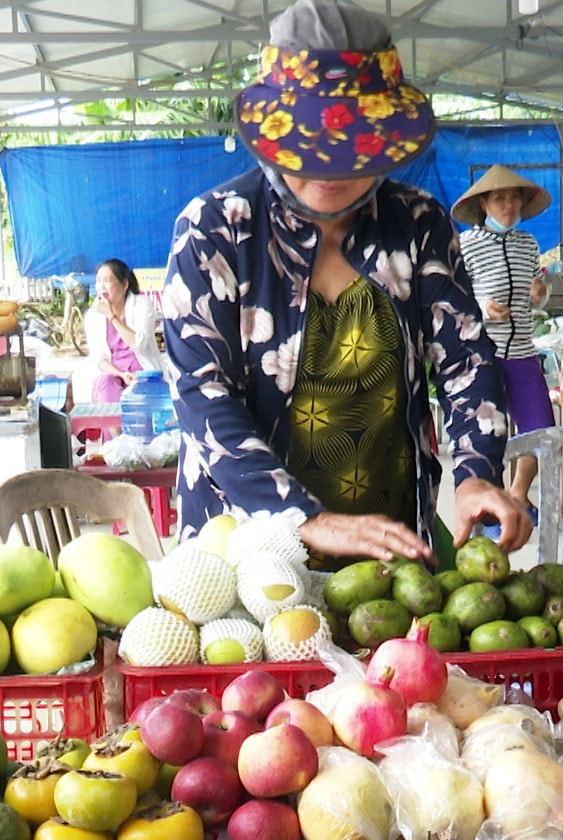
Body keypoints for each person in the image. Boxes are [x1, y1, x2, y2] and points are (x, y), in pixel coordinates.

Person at [159, 0, 531, 567]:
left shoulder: (419, 223)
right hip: (245, 557)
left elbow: (466, 362)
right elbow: (202, 392)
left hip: (390, 552)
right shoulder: (214, 230)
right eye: (307, 147)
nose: (327, 171)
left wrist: (476, 473)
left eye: (349, 148)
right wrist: (305, 520)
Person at [451, 166, 552, 514]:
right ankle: (490, 506)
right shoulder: (467, 245)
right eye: (499, 199)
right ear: (484, 204)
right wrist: (482, 308)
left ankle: (519, 494)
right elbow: (455, 299)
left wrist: (540, 291)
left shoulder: (528, 244)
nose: (509, 206)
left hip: (523, 351)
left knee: (541, 431)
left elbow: (535, 294)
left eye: (514, 198)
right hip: (483, 354)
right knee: (487, 434)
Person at [84, 259, 165, 402]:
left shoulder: (141, 304)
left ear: (124, 285)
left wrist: (112, 316)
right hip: (115, 373)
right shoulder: (93, 315)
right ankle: (112, 425)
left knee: (140, 388)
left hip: (142, 372)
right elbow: (99, 358)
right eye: (98, 281)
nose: (101, 286)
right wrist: (120, 374)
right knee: (104, 380)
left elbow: (138, 343)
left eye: (107, 281)